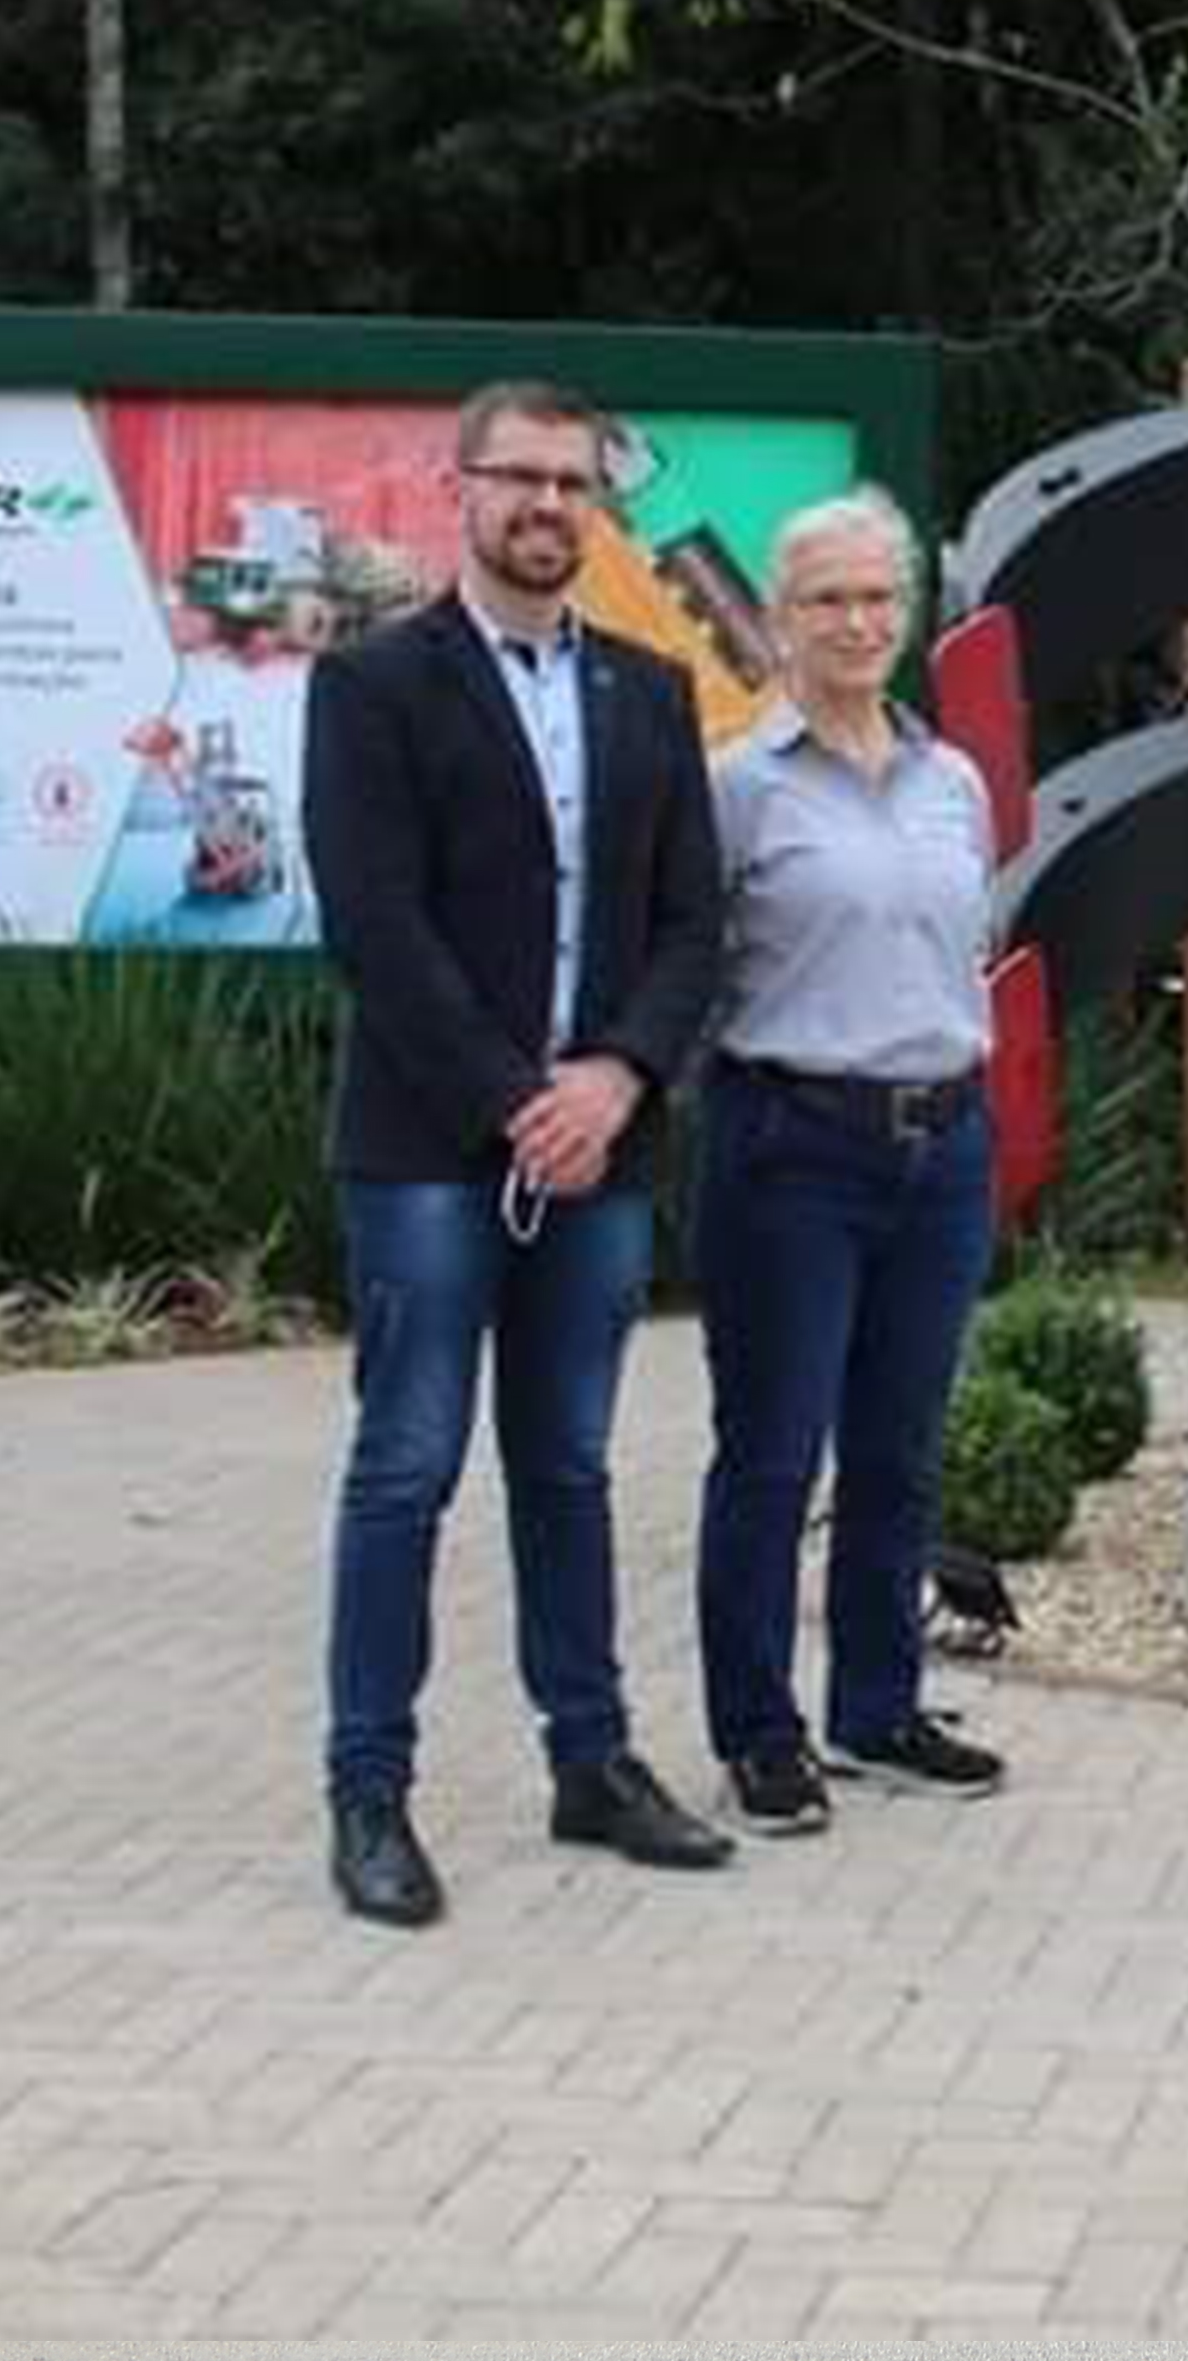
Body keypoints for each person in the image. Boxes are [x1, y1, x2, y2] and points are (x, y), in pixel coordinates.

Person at [303, 380, 735, 1928]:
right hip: (431, 1151)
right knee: (406, 1469)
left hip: (600, 1152)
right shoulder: (372, 689)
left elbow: (694, 920)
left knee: (565, 1466)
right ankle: (370, 1794)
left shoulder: (648, 688)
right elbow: (379, 929)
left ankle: (591, 1763)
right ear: (462, 489)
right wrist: (516, 1102)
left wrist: (616, 1076)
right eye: (520, 478)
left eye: (573, 482)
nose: (547, 506)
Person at [692, 487, 1008, 1833]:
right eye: (828, 598)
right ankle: (759, 1733)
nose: (860, 620)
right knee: (772, 1457)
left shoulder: (955, 784)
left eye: (880, 596)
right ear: (778, 618)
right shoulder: (736, 789)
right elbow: (686, 970)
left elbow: (962, 956)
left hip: (942, 1146)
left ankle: (877, 1707)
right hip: (791, 1152)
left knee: (901, 1451)